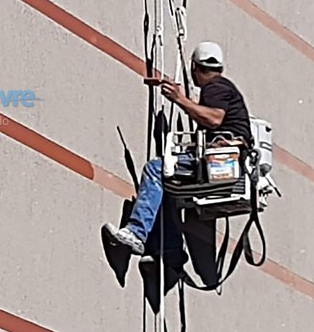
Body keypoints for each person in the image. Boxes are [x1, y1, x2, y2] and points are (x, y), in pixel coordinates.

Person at [102, 41, 252, 261]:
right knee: (171, 184)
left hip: (222, 161)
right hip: (229, 162)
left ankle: (136, 232)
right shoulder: (225, 88)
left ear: (194, 68)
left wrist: (179, 99)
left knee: (156, 170)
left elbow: (214, 118)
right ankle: (170, 252)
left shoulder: (215, 87)